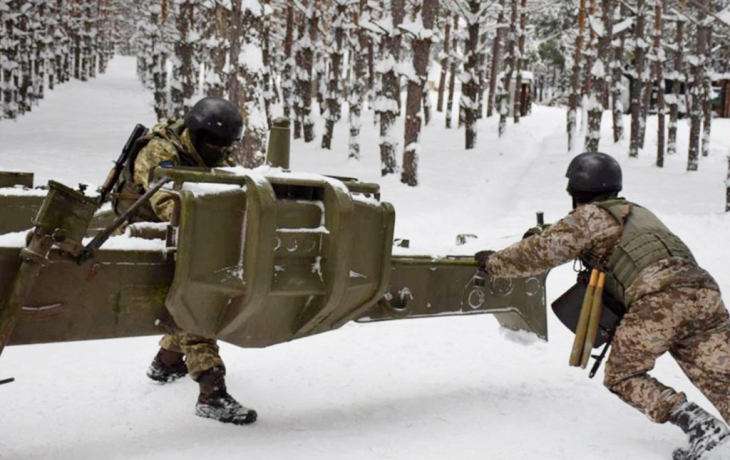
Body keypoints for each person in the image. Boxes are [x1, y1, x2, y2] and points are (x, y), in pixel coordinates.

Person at [475, 152, 730, 460]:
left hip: (659, 300)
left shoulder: (589, 217)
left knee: (623, 376)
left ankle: (700, 426)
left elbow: (539, 253)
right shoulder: (639, 211)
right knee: (722, 376)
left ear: (576, 192)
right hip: (704, 293)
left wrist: (493, 262)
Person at [112, 97, 257, 425]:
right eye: (215, 143)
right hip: (140, 229)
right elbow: (167, 200)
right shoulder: (159, 151)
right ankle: (211, 391)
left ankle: (167, 362)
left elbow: (231, 184)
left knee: (198, 286)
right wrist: (211, 229)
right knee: (200, 293)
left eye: (227, 144)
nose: (221, 150)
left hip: (181, 230)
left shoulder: (209, 148)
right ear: (196, 133)